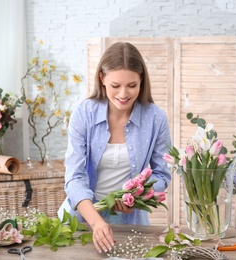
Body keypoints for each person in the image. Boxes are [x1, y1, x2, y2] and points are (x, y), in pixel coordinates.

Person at [57, 42, 171, 254]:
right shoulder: (84, 114)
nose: (123, 94)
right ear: (102, 78)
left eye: (132, 85)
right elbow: (74, 177)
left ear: (142, 81)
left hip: (130, 220)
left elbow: (162, 174)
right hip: (83, 217)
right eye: (115, 86)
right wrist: (96, 222)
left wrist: (136, 198)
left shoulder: (156, 118)